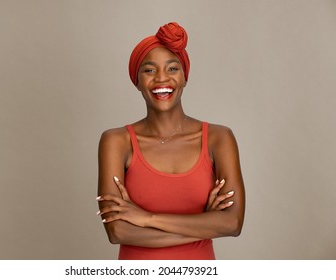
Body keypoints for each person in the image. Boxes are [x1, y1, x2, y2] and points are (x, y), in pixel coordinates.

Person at [96, 22, 245, 260]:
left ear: (185, 77)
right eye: (149, 70)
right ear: (136, 81)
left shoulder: (219, 138)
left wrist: (146, 218)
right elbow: (117, 231)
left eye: (172, 68)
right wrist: (205, 224)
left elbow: (233, 223)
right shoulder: (116, 141)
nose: (161, 79)